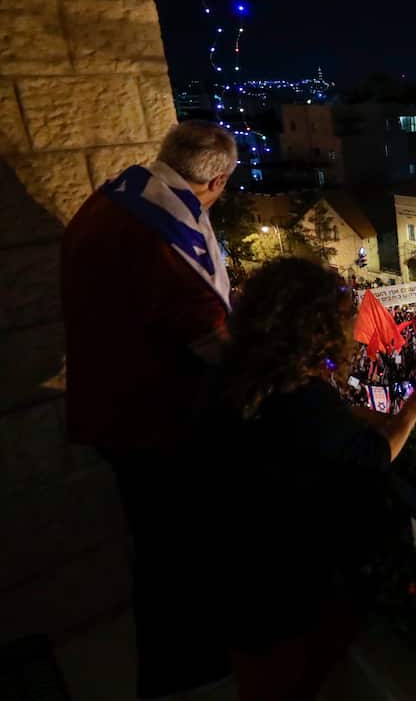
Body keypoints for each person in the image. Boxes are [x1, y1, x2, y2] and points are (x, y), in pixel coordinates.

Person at [61, 120, 237, 698]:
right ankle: (188, 674)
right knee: (177, 558)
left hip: (110, 397)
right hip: (154, 420)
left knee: (158, 547)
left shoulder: (119, 198)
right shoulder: (165, 244)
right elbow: (218, 350)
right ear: (214, 182)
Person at [214, 258, 416, 700]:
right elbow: (374, 456)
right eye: (344, 321)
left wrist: (361, 415)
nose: (352, 332)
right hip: (285, 591)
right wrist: (410, 413)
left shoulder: (249, 372)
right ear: (315, 329)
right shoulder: (304, 399)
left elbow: (322, 416)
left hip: (239, 569)